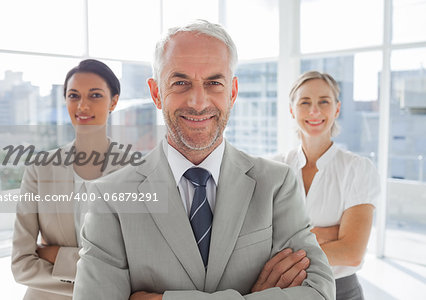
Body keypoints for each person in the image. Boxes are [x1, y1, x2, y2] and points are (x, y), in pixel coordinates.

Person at [73, 20, 334, 300]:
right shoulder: (110, 197)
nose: (198, 102)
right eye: (181, 83)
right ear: (156, 93)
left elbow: (318, 293)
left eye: (213, 83)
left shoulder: (276, 184)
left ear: (232, 92)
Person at [11, 59, 123, 299]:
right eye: (74, 96)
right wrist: (100, 283)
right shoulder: (39, 169)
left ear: (113, 101)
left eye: (95, 95)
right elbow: (21, 264)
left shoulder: (136, 172)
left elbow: (138, 263)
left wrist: (57, 255)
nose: (82, 105)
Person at [273, 71, 380, 300]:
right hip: (286, 291)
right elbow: (258, 243)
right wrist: (328, 235)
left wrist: (290, 245)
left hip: (340, 291)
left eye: (324, 101)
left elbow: (352, 253)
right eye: (305, 102)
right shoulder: (274, 168)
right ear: (292, 110)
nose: (314, 111)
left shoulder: (357, 169)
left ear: (337, 109)